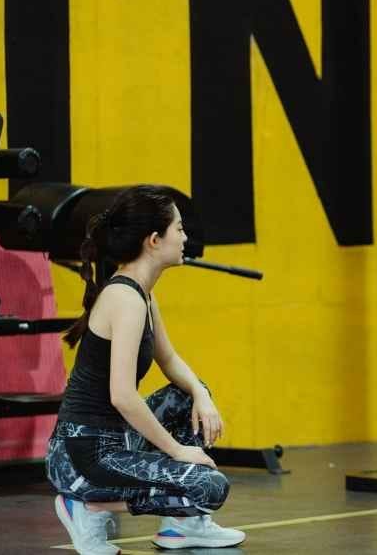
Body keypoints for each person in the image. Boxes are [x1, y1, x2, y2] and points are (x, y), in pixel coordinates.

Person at [45, 186, 246, 553]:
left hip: (114, 442)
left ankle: (180, 527)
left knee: (186, 394)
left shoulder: (143, 294)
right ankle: (86, 506)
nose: (186, 237)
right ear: (154, 240)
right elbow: (122, 396)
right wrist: (177, 450)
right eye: (179, 229)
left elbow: (168, 360)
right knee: (209, 487)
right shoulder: (124, 299)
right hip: (80, 458)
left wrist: (201, 394)